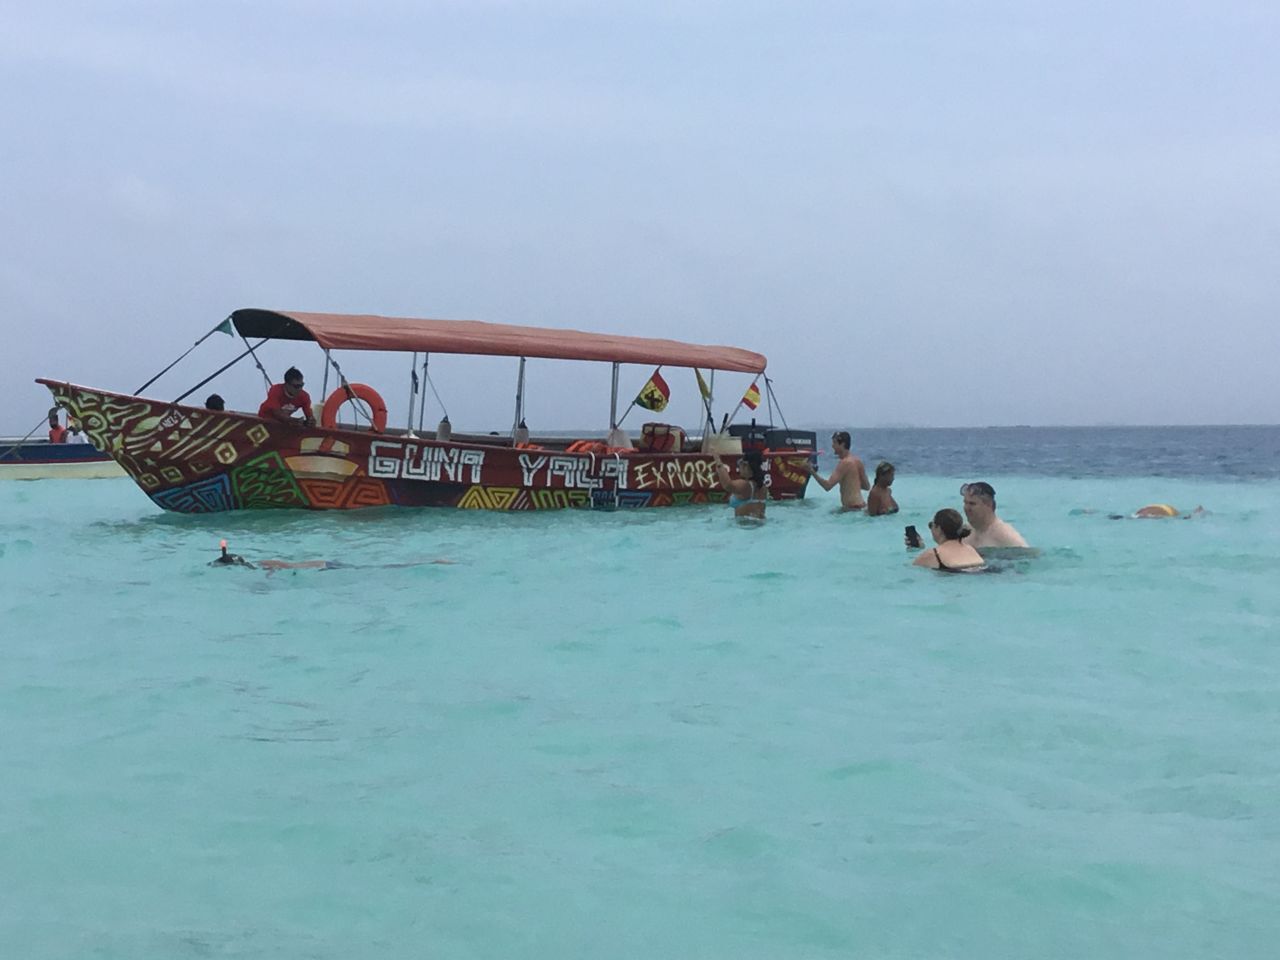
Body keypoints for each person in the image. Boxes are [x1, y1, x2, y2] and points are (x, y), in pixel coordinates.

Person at [806, 431, 870, 510]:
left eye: (834, 443)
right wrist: (852, 484)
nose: (832, 446)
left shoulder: (844, 463)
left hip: (851, 509)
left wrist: (811, 470)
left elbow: (827, 486)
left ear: (842, 444)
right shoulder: (857, 461)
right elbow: (866, 486)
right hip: (861, 505)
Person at [960, 481, 1029, 549]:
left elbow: (1028, 554)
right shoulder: (964, 531)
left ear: (989, 505)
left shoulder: (1005, 535)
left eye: (972, 504)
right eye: (965, 503)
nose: (966, 508)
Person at [913, 508, 985, 571]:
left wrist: (914, 548)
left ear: (938, 528)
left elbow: (913, 568)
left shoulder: (933, 554)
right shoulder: (970, 549)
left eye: (931, 525)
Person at [714, 450, 766, 520]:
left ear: (746, 465)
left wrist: (718, 461)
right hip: (759, 524)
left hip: (744, 525)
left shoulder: (746, 485)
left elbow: (727, 485)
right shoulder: (763, 487)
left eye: (739, 464)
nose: (739, 468)